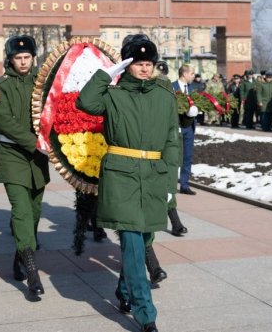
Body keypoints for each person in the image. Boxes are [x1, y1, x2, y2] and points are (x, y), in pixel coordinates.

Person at [77, 33, 180, 332]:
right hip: (122, 173)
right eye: (138, 63)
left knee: (146, 238)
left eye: (149, 63)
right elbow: (86, 102)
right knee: (133, 241)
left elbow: (173, 140)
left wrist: (170, 182)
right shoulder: (113, 94)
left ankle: (124, 291)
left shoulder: (164, 95)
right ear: (127, 65)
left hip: (155, 174)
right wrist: (106, 75)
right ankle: (145, 313)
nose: (145, 69)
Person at [0, 35, 51, 296]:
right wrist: (34, 141)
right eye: (18, 58)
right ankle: (32, 271)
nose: (23, 62)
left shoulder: (43, 82)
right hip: (11, 154)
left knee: (35, 211)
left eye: (27, 57)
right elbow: (4, 122)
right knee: (22, 210)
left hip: (37, 158)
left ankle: (18, 256)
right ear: (10, 59)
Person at [172, 64, 198, 196]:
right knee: (173, 156)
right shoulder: (172, 87)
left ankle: (184, 184)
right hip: (175, 127)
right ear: (185, 74)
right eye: (192, 73)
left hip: (189, 127)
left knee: (187, 156)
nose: (194, 76)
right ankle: (170, 184)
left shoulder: (193, 89)